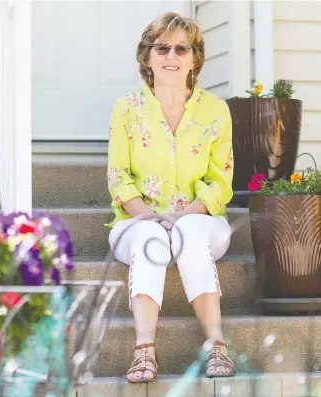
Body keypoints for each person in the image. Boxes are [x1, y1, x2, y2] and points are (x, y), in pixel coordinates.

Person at [106, 12, 236, 383]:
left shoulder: (216, 110)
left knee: (191, 233)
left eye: (182, 48)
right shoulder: (126, 109)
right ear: (146, 57)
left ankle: (216, 347)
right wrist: (149, 218)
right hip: (136, 221)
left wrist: (180, 219)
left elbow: (220, 180)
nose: (171, 55)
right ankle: (144, 351)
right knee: (149, 238)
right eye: (161, 47)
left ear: (194, 58)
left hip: (202, 221)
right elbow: (118, 177)